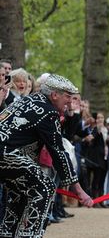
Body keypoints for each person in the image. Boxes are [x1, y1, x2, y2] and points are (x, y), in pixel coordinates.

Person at [0, 74, 93, 237]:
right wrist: (79, 190)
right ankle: (28, 235)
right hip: (6, 154)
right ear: (54, 95)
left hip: (7, 154)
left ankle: (7, 232)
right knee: (44, 186)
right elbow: (58, 151)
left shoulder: (29, 100)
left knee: (20, 189)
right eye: (68, 97)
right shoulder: (48, 112)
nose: (70, 103)